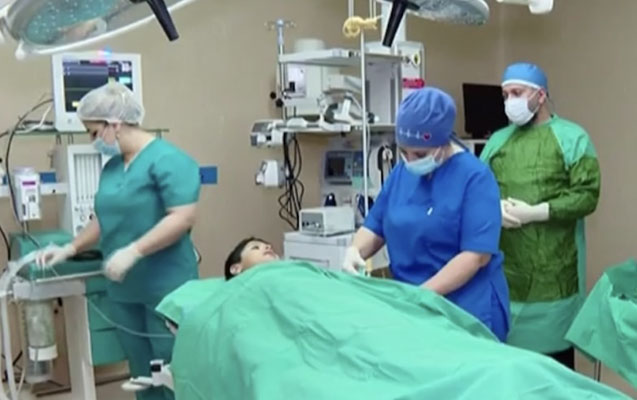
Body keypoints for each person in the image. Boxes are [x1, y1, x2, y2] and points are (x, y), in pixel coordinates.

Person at [36, 82, 201, 400]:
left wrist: (134, 251)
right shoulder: (113, 167)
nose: (92, 141)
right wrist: (70, 247)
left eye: (93, 132)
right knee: (142, 374)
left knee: (173, 372)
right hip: (125, 290)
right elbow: (104, 218)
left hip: (166, 288)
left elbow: (182, 218)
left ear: (114, 124)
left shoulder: (170, 159)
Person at [341, 87, 511, 341]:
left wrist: (420, 295)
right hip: (412, 304)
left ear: (444, 142)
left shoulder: (475, 178)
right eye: (403, 152)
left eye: (420, 154)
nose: (410, 160)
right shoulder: (402, 172)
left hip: (465, 309)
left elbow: (476, 256)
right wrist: (355, 251)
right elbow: (376, 225)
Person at [480, 62, 601, 369]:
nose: (510, 102)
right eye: (506, 95)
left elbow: (587, 195)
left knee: (554, 371)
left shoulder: (572, 138)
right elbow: (476, 191)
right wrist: (493, 208)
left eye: (517, 93)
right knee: (511, 370)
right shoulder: (497, 141)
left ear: (541, 95)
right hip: (507, 273)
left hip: (554, 275)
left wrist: (537, 212)